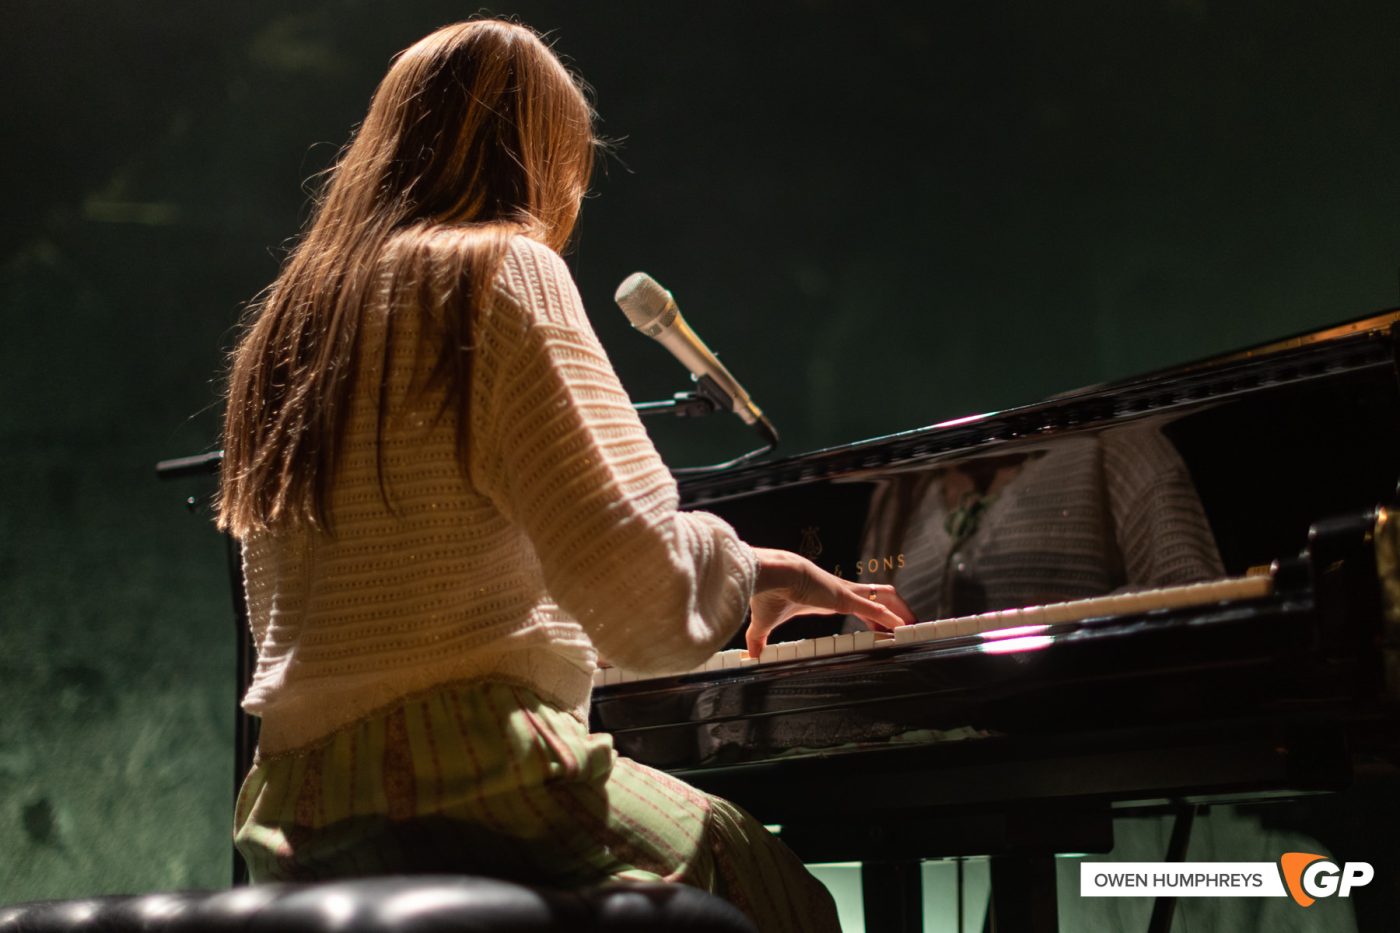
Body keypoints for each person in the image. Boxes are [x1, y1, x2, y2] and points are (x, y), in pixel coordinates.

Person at [216, 19, 912, 932]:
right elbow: (651, 607)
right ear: (542, 158)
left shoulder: (286, 329)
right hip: (480, 787)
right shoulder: (504, 268)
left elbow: (426, 590)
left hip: (294, 809)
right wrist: (743, 565)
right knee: (779, 890)